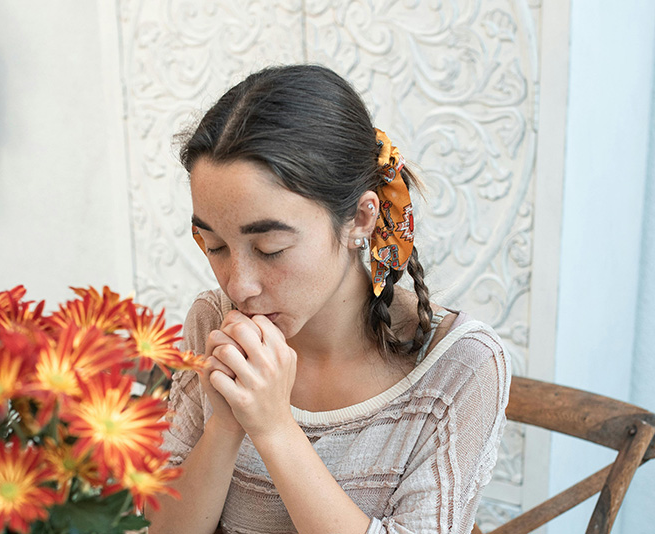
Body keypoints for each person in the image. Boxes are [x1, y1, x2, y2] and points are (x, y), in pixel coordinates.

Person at [146, 64, 511, 534]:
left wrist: (275, 428)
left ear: (360, 218)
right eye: (214, 246)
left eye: (270, 249)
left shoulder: (460, 368)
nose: (238, 286)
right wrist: (225, 425)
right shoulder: (214, 320)